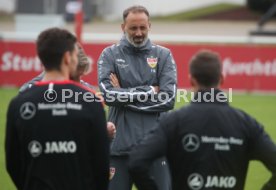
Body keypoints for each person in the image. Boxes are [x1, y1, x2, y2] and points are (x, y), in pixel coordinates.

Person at [128, 50, 276, 190]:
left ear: (191, 80)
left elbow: (136, 162)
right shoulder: (247, 124)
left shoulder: (173, 121)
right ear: (222, 78)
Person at [5, 27, 110, 190]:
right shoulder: (90, 100)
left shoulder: (19, 103)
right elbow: (101, 164)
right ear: (68, 58)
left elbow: (13, 163)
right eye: (76, 54)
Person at [97, 5, 177, 190]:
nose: (139, 33)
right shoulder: (109, 54)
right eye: (133, 28)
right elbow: (108, 95)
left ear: (149, 26)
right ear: (123, 27)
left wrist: (123, 95)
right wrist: (149, 91)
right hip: (119, 148)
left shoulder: (163, 55)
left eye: (143, 27)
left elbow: (168, 99)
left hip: (155, 149)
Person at [18, 43, 116, 139]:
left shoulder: (88, 91)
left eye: (80, 76)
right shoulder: (31, 91)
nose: (78, 83)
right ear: (62, 67)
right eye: (73, 77)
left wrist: (103, 130)